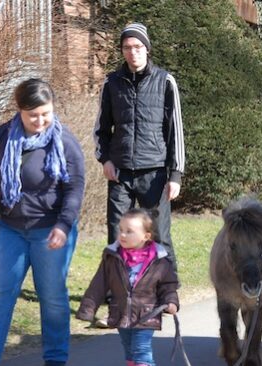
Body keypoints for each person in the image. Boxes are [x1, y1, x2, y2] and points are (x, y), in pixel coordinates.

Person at [0, 78, 85, 366]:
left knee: (52, 294)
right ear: (20, 111)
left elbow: (75, 187)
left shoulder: (64, 141)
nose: (41, 121)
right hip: (11, 229)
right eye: (34, 115)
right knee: (0, 293)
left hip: (51, 229)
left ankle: (55, 356)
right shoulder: (1, 137)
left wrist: (64, 225)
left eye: (46, 113)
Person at [93, 22, 185, 272]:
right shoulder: (112, 83)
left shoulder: (166, 82)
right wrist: (105, 160)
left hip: (154, 174)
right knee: (116, 235)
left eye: (137, 46)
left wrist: (175, 175)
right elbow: (101, 128)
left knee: (159, 235)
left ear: (147, 49)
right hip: (120, 173)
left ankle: (167, 292)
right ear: (122, 51)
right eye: (127, 47)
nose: (133, 52)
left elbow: (175, 131)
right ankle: (117, 290)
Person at [76, 208, 179, 366]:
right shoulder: (112, 257)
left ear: (146, 236)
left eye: (129, 231)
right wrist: (88, 308)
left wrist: (172, 301)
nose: (122, 234)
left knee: (141, 348)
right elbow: (99, 284)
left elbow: (169, 285)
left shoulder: (159, 260)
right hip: (120, 312)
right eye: (121, 229)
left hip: (146, 313)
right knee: (128, 347)